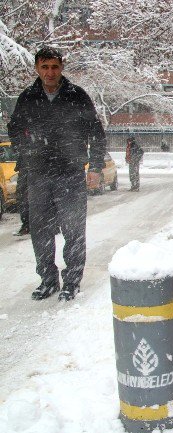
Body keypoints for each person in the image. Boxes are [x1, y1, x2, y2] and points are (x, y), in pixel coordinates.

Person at [7, 46, 106, 301]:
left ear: (61, 67)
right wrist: (26, 150)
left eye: (54, 67)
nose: (50, 72)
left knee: (73, 230)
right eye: (44, 67)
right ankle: (47, 279)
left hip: (70, 174)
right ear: (37, 68)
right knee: (40, 231)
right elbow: (15, 130)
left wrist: (95, 167)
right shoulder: (28, 98)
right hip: (38, 174)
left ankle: (72, 281)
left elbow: (96, 133)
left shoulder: (77, 96)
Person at [12, 151, 29, 236]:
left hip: (28, 180)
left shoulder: (25, 150)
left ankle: (26, 226)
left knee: (25, 204)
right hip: (29, 180)